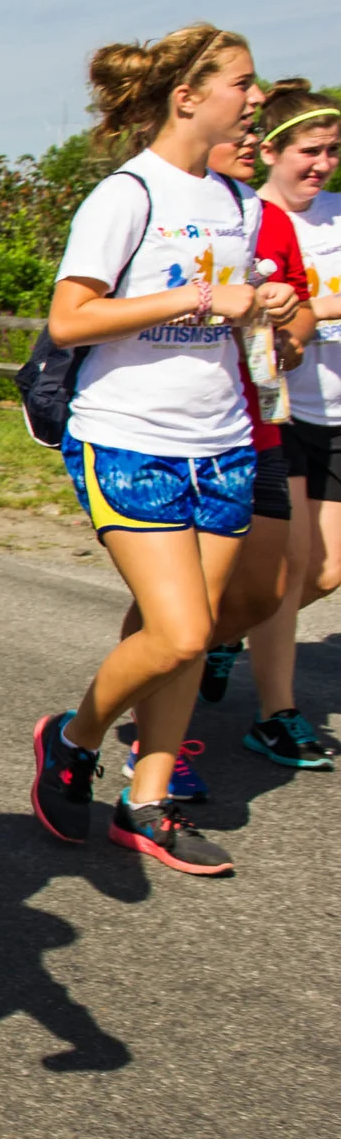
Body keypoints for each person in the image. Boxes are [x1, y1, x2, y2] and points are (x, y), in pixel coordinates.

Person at [28, 25, 284, 878]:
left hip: (222, 441)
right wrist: (204, 296)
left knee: (192, 632)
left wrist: (263, 303)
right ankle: (72, 739)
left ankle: (148, 802)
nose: (254, 100)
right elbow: (71, 318)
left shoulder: (242, 204)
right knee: (177, 634)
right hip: (130, 437)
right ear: (188, 96)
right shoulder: (128, 195)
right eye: (241, 83)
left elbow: (226, 315)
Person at [176, 119, 315, 775]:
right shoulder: (163, 205)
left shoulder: (272, 221)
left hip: (260, 425)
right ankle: (151, 756)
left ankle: (171, 678)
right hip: (178, 427)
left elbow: (301, 320)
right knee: (182, 611)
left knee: (268, 589)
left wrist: (289, 318)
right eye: (246, 122)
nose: (253, 135)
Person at [247, 83, 341, 761]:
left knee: (327, 574)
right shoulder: (251, 219)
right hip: (286, 412)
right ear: (271, 150)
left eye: (334, 151)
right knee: (295, 562)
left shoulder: (338, 217)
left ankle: (228, 632)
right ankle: (276, 710)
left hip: (338, 411)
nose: (324, 164)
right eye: (310, 150)